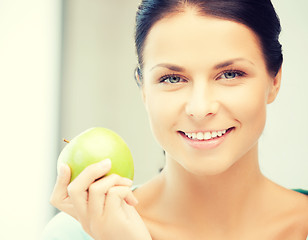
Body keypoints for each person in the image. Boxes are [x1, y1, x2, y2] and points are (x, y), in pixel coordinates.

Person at [43, 0, 308, 239]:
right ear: (144, 88)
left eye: (230, 74)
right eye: (172, 78)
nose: (200, 108)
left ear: (275, 80)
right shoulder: (77, 233)